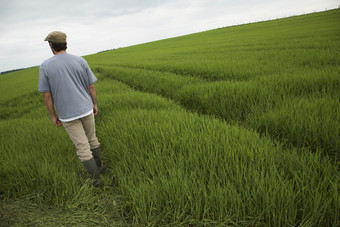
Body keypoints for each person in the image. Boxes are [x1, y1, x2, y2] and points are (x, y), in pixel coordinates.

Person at [38, 31, 104, 187]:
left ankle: (96, 181)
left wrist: (53, 115)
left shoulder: (45, 66)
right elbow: (91, 86)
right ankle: (100, 167)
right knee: (92, 139)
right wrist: (94, 104)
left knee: (82, 147)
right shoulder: (80, 60)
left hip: (67, 115)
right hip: (86, 108)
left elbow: (46, 95)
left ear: (51, 45)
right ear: (65, 43)